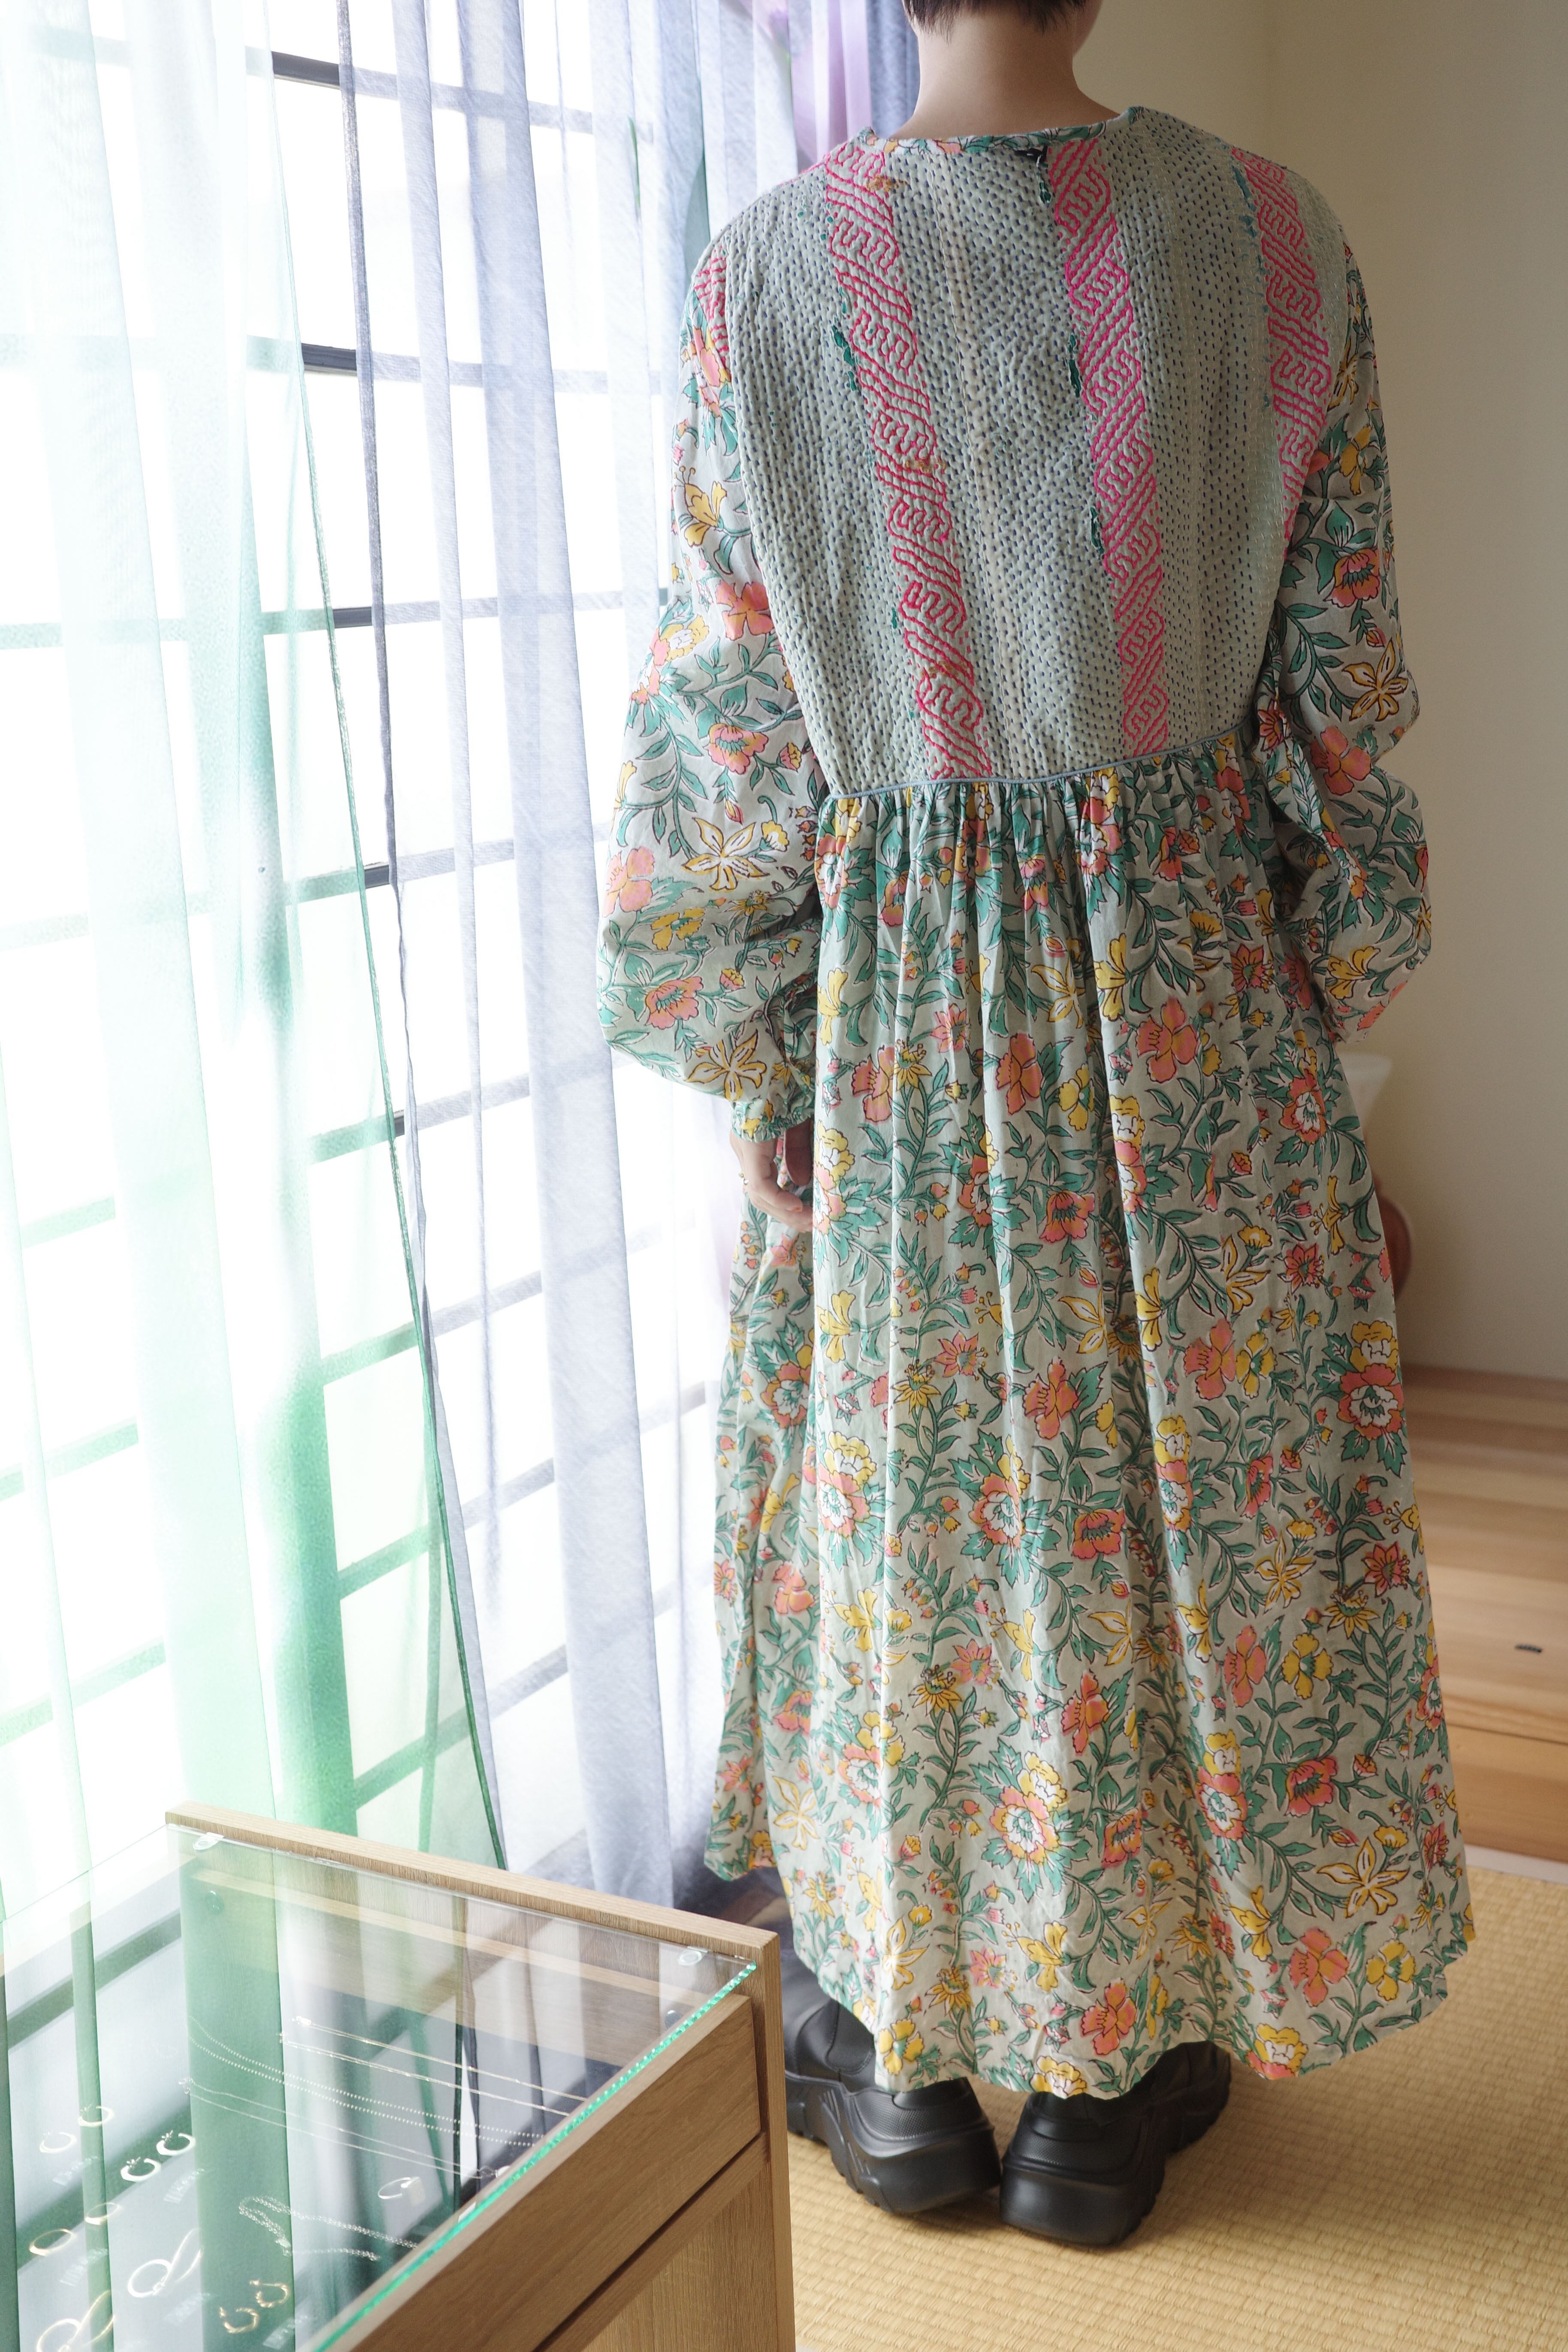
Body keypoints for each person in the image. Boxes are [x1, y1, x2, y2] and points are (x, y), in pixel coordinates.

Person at [598, 0, 1472, 2246]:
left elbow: (724, 724)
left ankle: (909, 2070)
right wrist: (1326, 1003)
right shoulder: (1273, 244)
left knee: (924, 1524)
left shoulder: (773, 272)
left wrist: (755, 1044)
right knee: (1175, 1525)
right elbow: (1340, 696)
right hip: (1200, 1008)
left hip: (903, 1026)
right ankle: (1106, 2085)